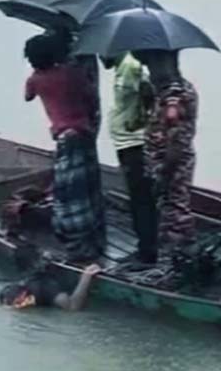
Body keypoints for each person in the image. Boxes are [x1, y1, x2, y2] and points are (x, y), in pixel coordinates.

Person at [24, 34, 106, 261]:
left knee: (69, 193)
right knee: (87, 189)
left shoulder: (35, 80)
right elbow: (90, 98)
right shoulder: (74, 73)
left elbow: (27, 97)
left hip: (64, 139)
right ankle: (93, 239)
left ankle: (76, 244)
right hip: (84, 134)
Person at [135, 50, 198, 272]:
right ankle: (175, 261)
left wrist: (164, 172)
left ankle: (179, 263)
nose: (150, 70)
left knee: (175, 213)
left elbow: (176, 143)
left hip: (172, 163)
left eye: (153, 64)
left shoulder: (176, 97)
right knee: (168, 210)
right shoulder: (163, 91)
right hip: (163, 161)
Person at [103, 53, 157, 264]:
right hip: (126, 143)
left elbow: (147, 92)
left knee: (141, 199)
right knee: (138, 198)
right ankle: (146, 246)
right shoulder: (120, 66)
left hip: (135, 144)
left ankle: (147, 251)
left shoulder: (130, 66)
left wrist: (142, 118)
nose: (100, 57)